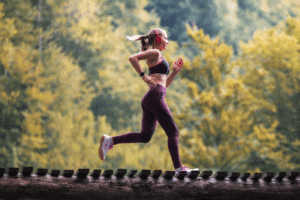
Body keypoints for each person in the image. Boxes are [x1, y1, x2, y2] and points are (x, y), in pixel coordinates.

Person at [98, 28, 199, 176]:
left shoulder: (157, 56)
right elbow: (132, 58)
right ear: (157, 39)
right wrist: (144, 76)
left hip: (152, 97)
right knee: (173, 132)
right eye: (165, 38)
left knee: (145, 137)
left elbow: (164, 85)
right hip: (154, 97)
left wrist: (175, 71)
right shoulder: (156, 53)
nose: (168, 41)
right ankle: (179, 169)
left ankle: (110, 141)